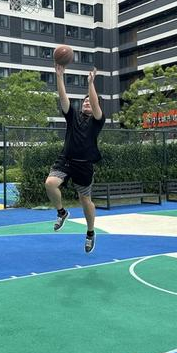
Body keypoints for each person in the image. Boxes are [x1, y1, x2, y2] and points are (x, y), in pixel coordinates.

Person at [44, 61, 105, 253]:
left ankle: (90, 232)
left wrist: (90, 83)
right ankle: (62, 212)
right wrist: (59, 76)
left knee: (85, 200)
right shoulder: (73, 117)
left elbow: (95, 103)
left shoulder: (97, 120)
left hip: (85, 165)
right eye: (84, 101)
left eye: (90, 101)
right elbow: (63, 99)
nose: (87, 102)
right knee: (50, 184)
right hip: (66, 160)